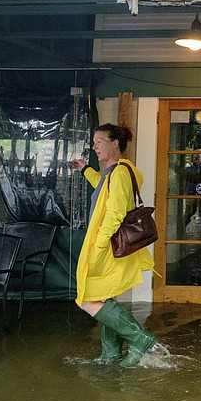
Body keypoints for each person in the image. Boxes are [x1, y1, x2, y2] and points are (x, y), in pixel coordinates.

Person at [70, 123, 159, 367]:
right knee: (103, 296)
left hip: (108, 245)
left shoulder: (119, 172)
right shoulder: (116, 172)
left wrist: (99, 244)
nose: (94, 146)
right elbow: (102, 186)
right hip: (109, 244)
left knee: (87, 298)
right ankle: (111, 354)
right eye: (94, 141)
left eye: (100, 141)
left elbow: (116, 212)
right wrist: (85, 169)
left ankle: (141, 340)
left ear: (114, 143)